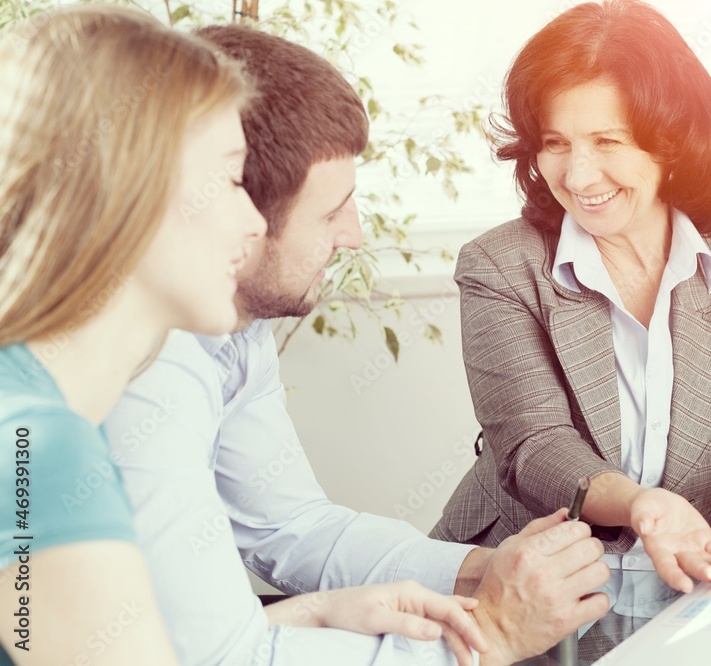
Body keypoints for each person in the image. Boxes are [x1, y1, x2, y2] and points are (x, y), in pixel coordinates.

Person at [103, 24, 609, 666]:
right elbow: (228, 659)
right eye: (332, 210)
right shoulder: (144, 371)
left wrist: (478, 571)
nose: (356, 235)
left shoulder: (235, 326)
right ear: (241, 217)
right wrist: (494, 639)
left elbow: (290, 526)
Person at [430, 0, 711, 595]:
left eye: (607, 140)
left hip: (703, 585)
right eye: (555, 142)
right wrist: (641, 505)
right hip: (523, 579)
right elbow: (533, 448)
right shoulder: (500, 265)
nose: (577, 176)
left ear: (672, 141)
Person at [0, 5, 266, 664]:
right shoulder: (42, 448)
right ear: (128, 184)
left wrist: (308, 612)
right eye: (233, 178)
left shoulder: (40, 414)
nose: (255, 221)